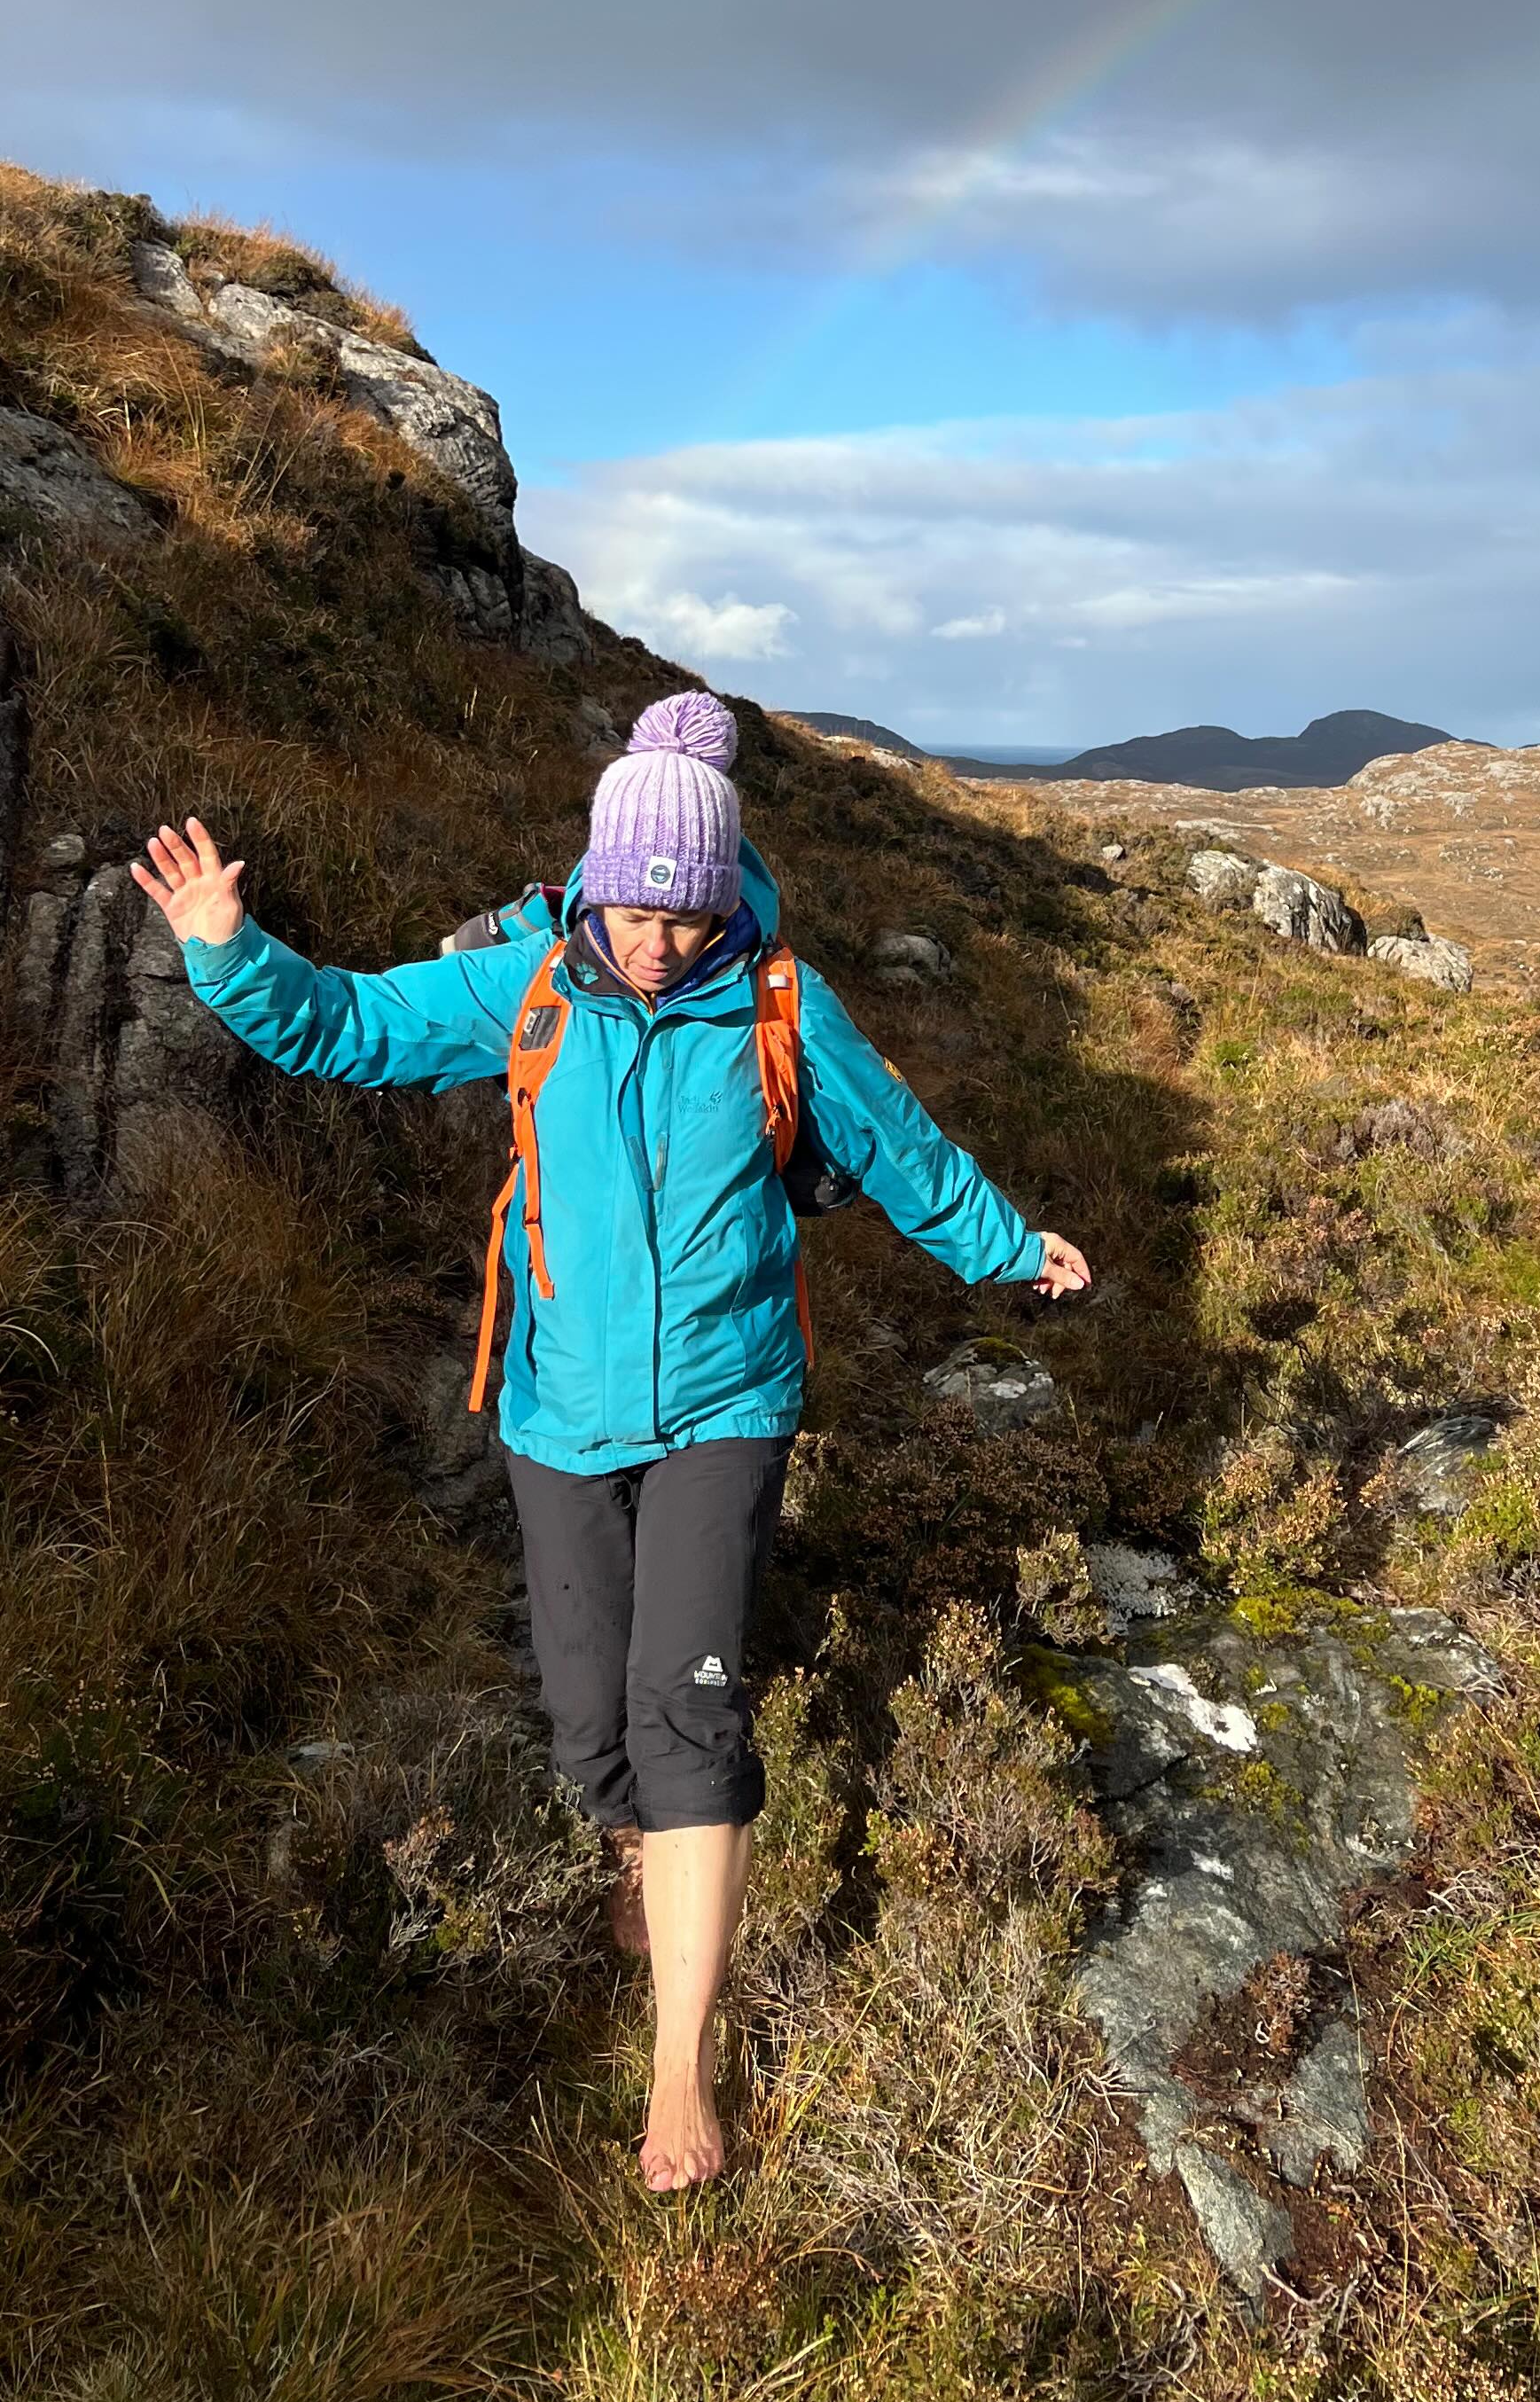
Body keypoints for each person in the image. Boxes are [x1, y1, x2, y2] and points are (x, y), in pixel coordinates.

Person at [133, 692, 1091, 2194]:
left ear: (723, 897)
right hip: (557, 1410)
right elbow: (351, 1028)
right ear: (596, 885)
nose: (657, 942)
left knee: (685, 1712)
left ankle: (679, 2073)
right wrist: (225, 953)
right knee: (592, 1732)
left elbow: (902, 1147)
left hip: (726, 1400)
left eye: (687, 915)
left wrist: (1010, 1248)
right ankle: (650, 1858)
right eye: (636, 911)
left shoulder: (779, 1004)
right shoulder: (528, 984)